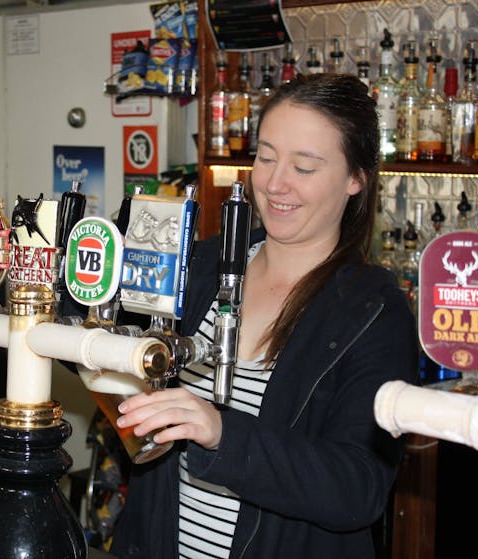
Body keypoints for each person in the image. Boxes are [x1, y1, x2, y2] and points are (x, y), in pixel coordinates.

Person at [108, 73, 419, 558]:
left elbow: (357, 489)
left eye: (306, 166)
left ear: (357, 179)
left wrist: (223, 433)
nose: (275, 183)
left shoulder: (374, 311)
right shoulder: (201, 266)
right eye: (266, 157)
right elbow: (102, 347)